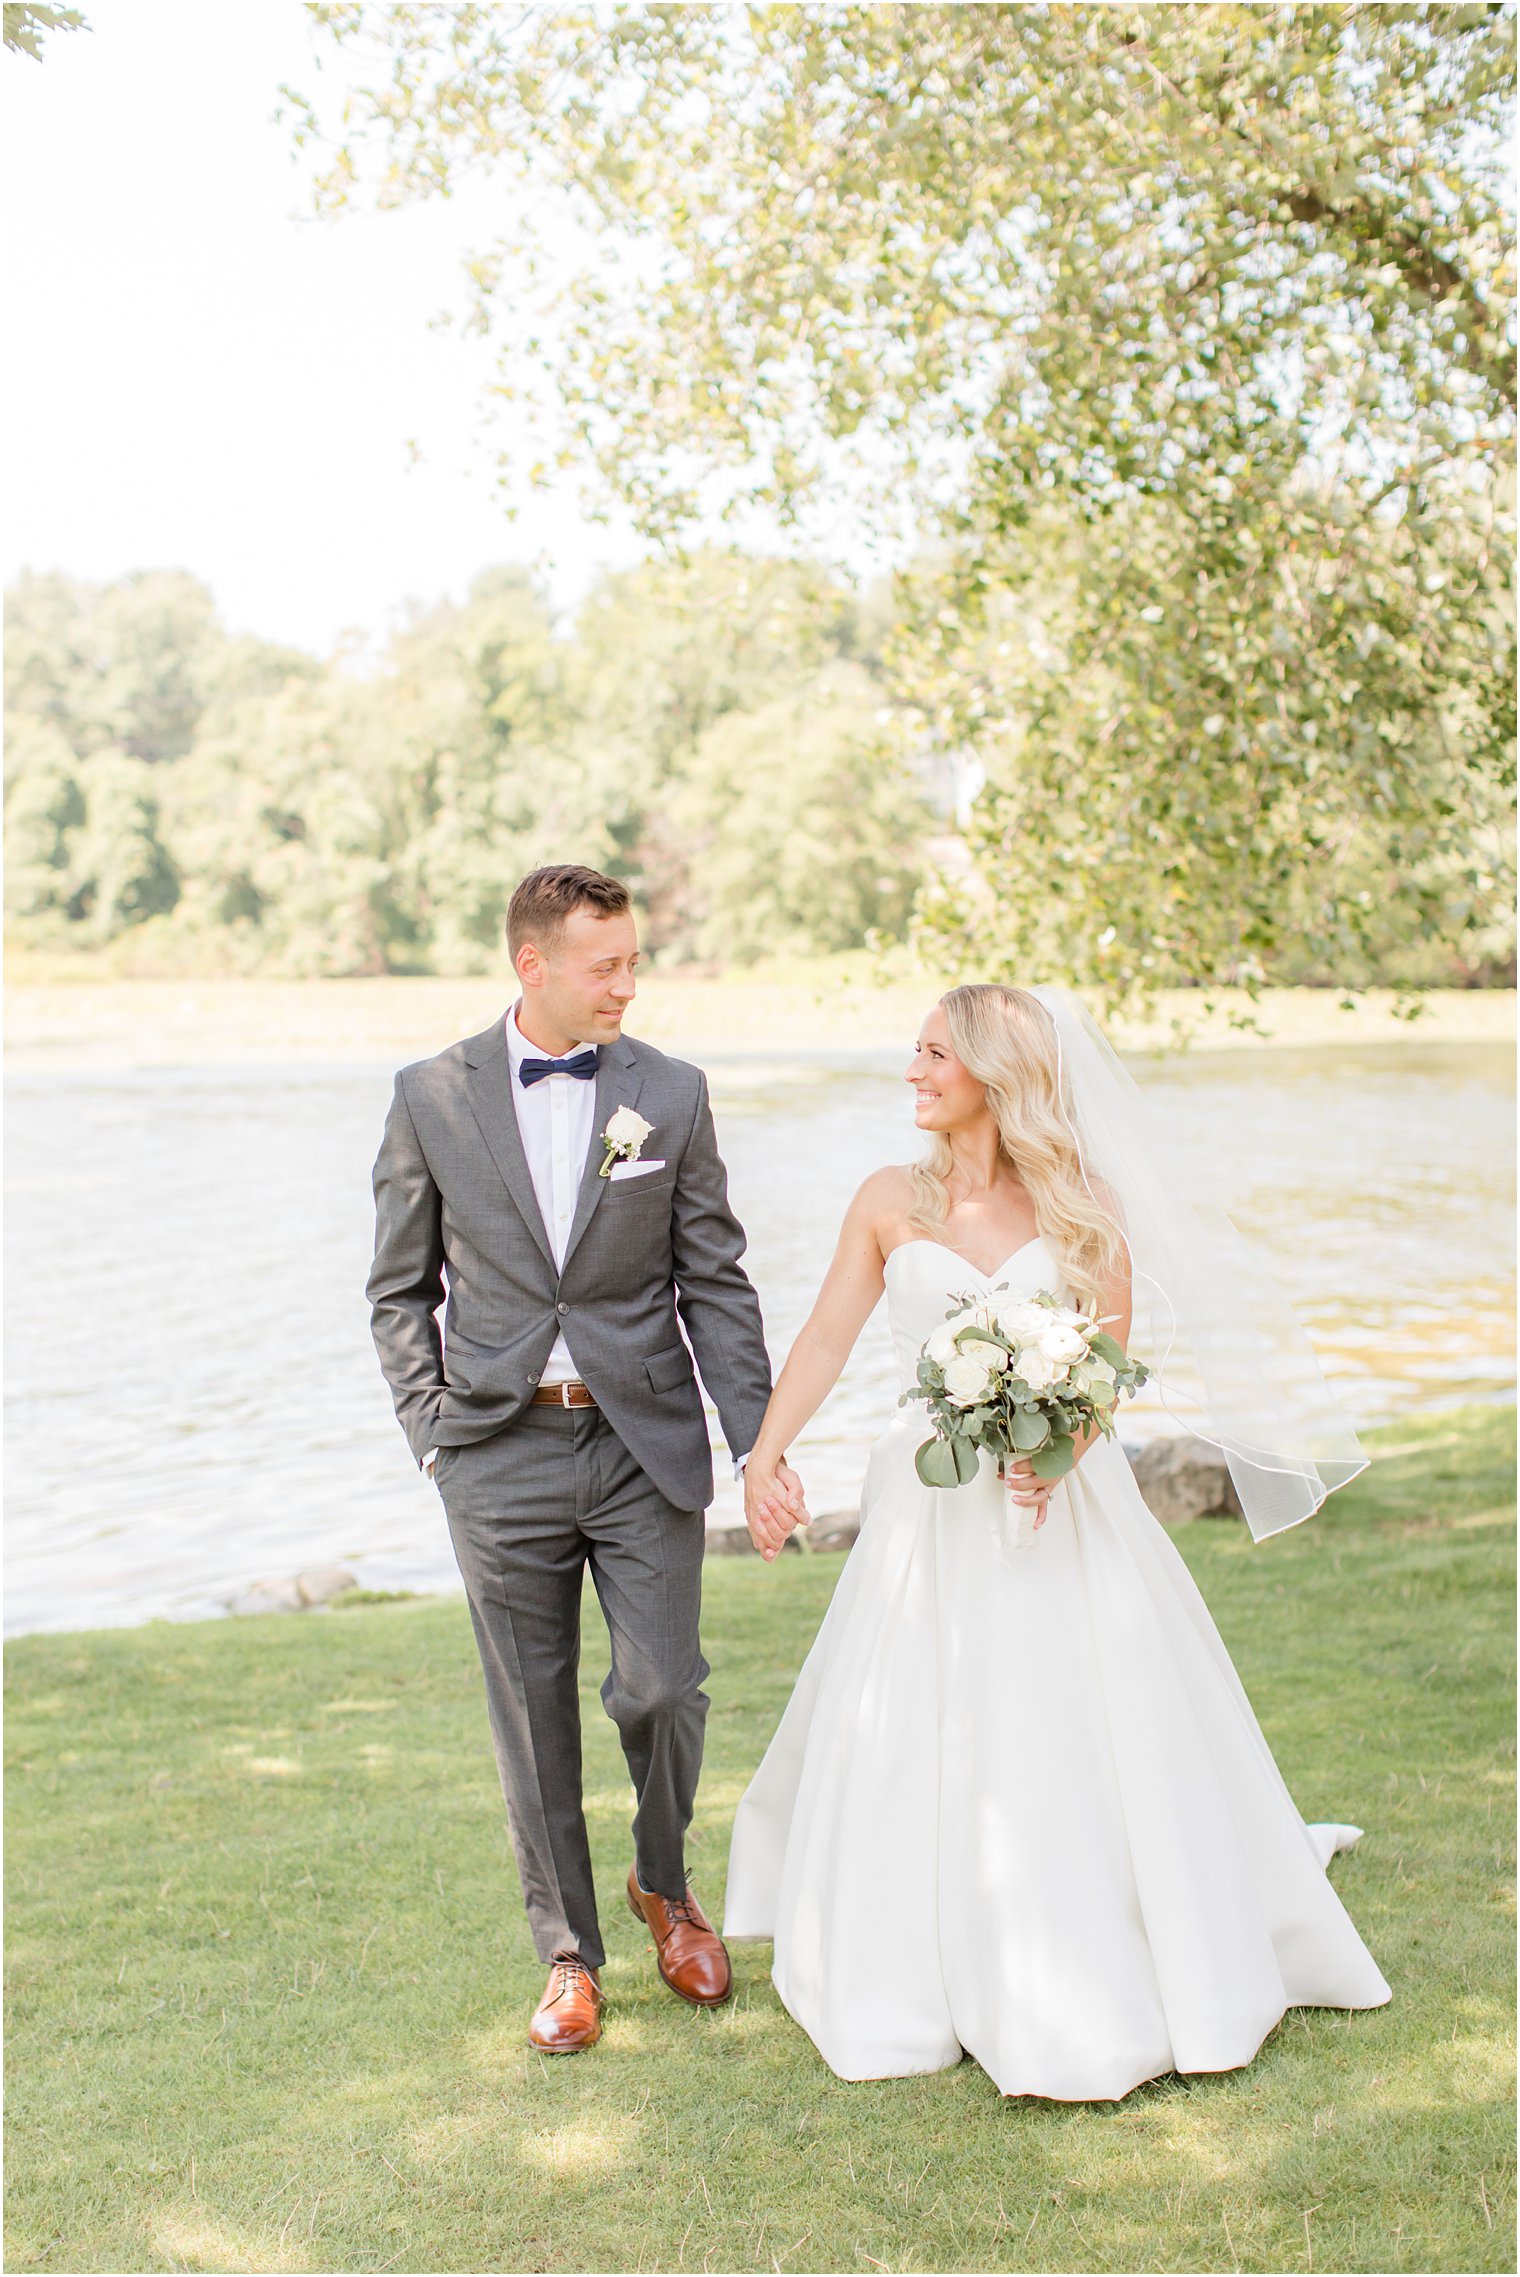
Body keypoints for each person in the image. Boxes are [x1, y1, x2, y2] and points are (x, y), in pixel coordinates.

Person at [727, 981, 1391, 2101]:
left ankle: (1106, 1943)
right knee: (925, 1722)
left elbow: (1107, 1366)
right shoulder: (889, 1197)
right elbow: (827, 1333)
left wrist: (1056, 1453)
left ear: (994, 1072)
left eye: (933, 1053)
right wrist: (763, 1456)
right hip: (928, 1520)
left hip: (1064, 1513)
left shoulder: (1084, 1201)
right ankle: (921, 1957)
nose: (912, 1071)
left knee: (1084, 1716)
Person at [367, 864, 804, 2053]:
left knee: (661, 1688)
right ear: (533, 965)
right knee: (529, 1713)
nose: (625, 984)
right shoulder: (430, 1096)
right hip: (494, 1447)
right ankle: (567, 1956)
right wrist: (431, 1437)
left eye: (630, 962)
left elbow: (712, 1275)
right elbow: (398, 1290)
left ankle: (664, 1885)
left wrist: (757, 1442)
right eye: (602, 965)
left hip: (639, 1439)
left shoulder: (669, 1091)